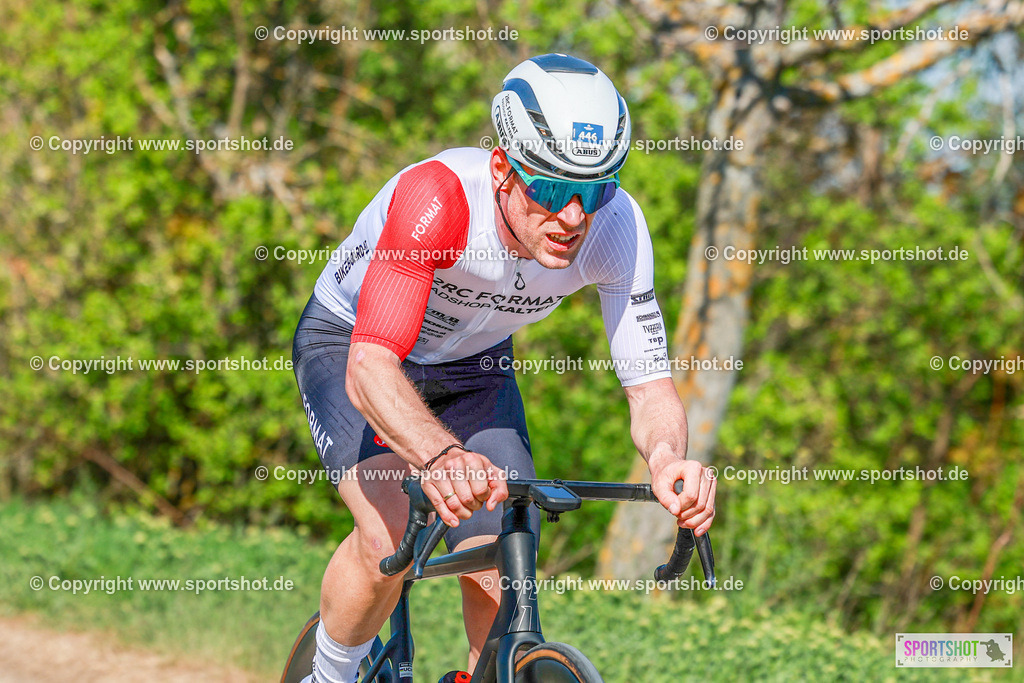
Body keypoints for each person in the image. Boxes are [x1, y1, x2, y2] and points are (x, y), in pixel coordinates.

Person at [291, 53, 716, 683]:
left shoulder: (617, 228)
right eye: (549, 187)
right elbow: (370, 366)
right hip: (354, 345)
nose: (573, 216)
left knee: (499, 559)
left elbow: (650, 386)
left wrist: (666, 459)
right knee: (391, 533)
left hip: (475, 366)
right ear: (502, 168)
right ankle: (329, 672)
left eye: (594, 189)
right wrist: (439, 458)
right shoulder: (437, 200)